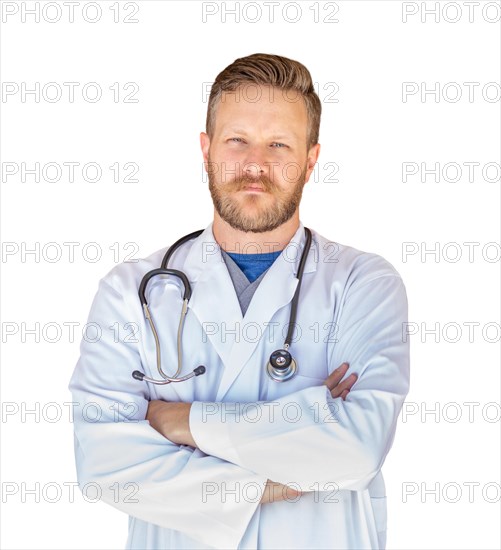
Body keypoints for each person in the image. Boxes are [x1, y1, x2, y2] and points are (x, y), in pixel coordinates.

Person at [69, 53, 410, 550]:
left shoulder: (363, 283)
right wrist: (285, 455)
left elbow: (357, 450)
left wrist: (178, 421)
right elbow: (104, 463)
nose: (255, 164)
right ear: (206, 150)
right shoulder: (131, 290)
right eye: (237, 141)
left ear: (311, 160)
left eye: (278, 144)